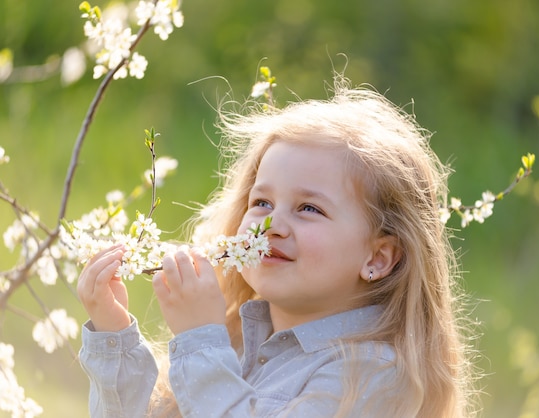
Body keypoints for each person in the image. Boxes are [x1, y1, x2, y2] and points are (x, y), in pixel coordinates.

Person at [77, 75, 476, 417]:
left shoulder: (373, 375)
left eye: (308, 208)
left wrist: (200, 342)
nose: (272, 226)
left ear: (378, 257)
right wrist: (114, 336)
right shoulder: (235, 344)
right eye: (262, 202)